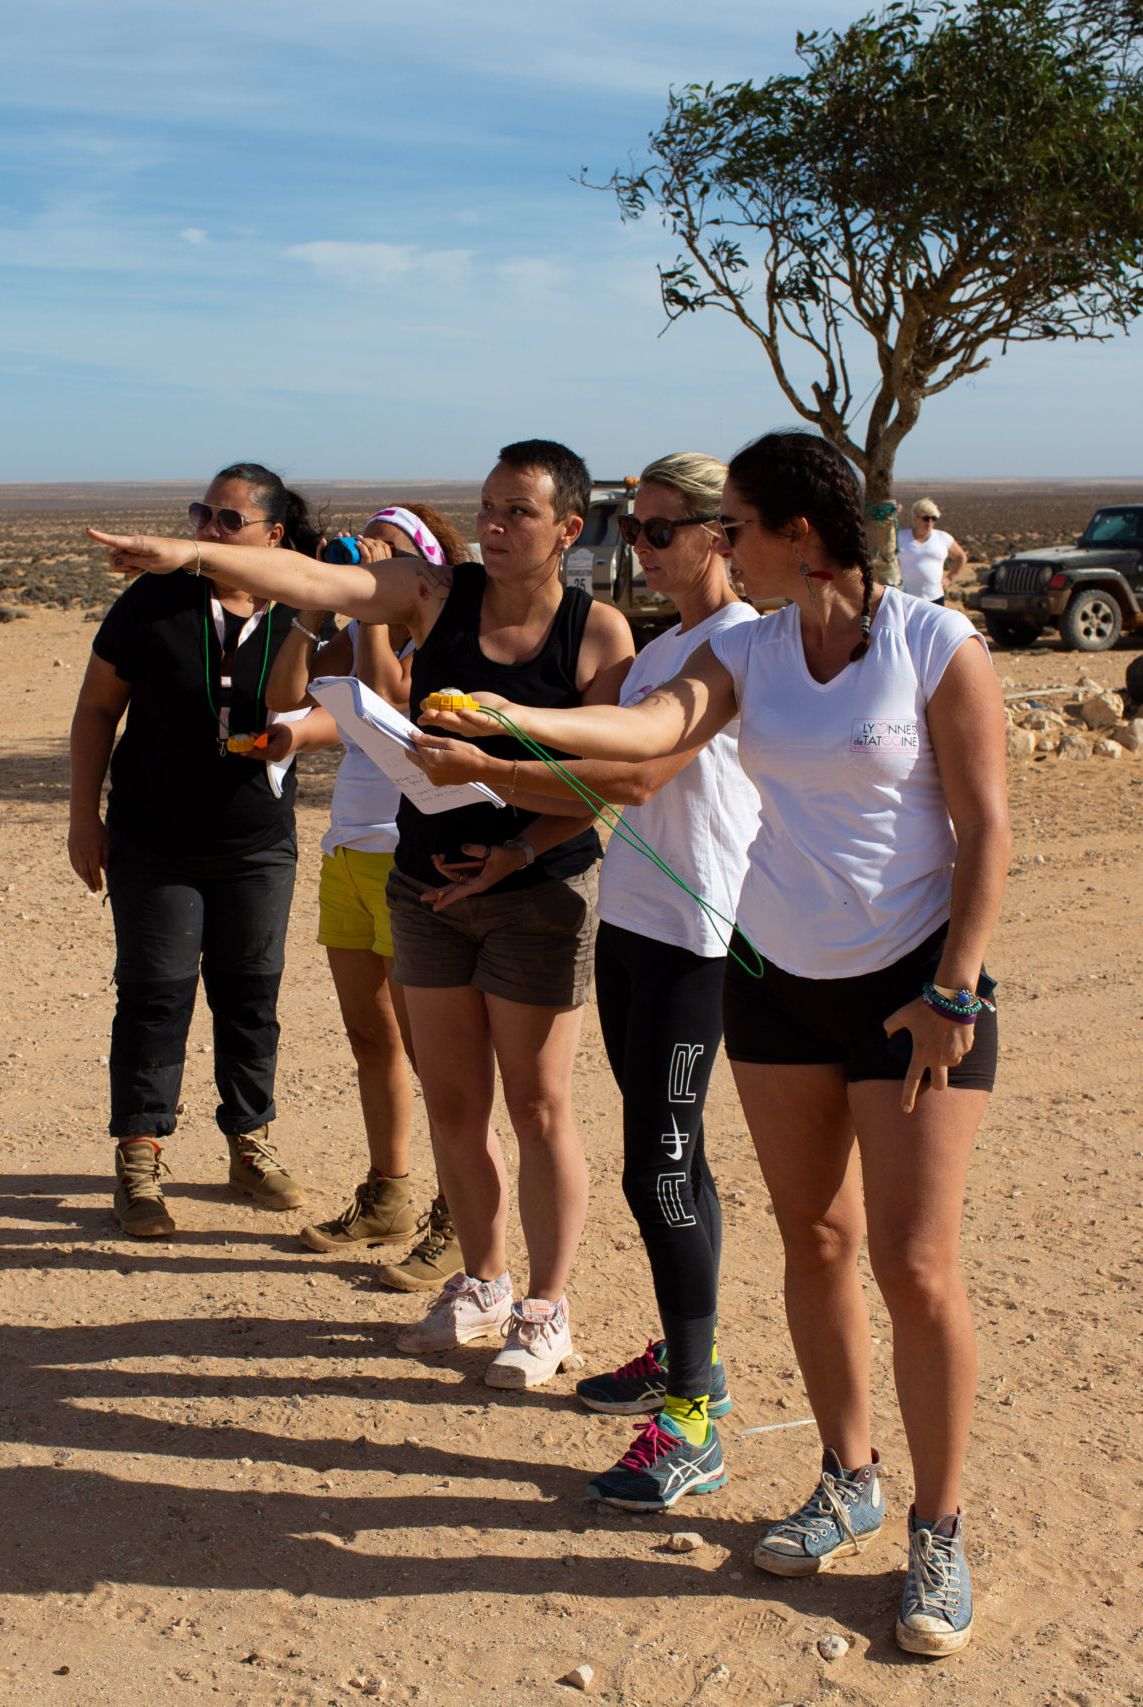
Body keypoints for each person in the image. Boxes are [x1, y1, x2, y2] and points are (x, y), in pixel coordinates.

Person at [416, 431, 1010, 1658]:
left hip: (911, 988)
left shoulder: (932, 645)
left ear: (800, 531)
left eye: (730, 525)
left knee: (913, 1265)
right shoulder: (750, 646)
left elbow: (985, 827)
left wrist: (953, 988)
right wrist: (506, 726)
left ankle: (937, 1530)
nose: (713, 547)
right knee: (816, 1239)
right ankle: (848, 1477)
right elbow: (654, 734)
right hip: (779, 980)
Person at [92, 440, 636, 1390]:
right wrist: (191, 558)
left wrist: (511, 838)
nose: (497, 526)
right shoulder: (435, 592)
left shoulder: (600, 637)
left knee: (540, 1105)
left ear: (569, 529)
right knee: (456, 1104)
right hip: (427, 888)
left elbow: (608, 781)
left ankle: (546, 1309)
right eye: (490, 508)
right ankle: (484, 1282)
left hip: (535, 892)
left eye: (518, 512)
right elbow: (308, 577)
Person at [409, 452, 760, 1510]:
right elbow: (603, 776)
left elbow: (638, 770)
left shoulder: (737, 643)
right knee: (661, 1160)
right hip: (636, 925)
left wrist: (495, 752)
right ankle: (682, 1355)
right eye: (633, 529)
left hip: (703, 936)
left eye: (661, 531)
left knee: (662, 1163)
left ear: (720, 536)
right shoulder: (666, 645)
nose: (638, 550)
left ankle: (692, 1415)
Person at [67, 462, 341, 1238]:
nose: (208, 532)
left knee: (251, 995)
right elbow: (96, 710)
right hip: (153, 839)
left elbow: (347, 705)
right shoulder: (154, 600)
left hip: (256, 843)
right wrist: (84, 817)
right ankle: (141, 1156)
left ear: (274, 536)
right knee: (154, 994)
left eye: (229, 521)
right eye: (202, 515)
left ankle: (248, 1141)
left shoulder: (306, 610)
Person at [263, 502, 469, 1290]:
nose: (364, 562)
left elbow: (393, 705)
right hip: (347, 850)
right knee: (370, 1036)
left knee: (435, 1053)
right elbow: (287, 698)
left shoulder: (441, 639)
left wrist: (374, 612)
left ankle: (459, 1213)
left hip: (406, 858)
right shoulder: (349, 633)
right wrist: (314, 614)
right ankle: (388, 1193)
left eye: (383, 554)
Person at [896, 499, 968, 604]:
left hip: (935, 597)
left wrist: (949, 579)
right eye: (926, 518)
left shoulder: (943, 538)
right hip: (905, 598)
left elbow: (961, 557)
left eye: (933, 518)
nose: (930, 522)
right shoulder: (900, 537)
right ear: (915, 519)